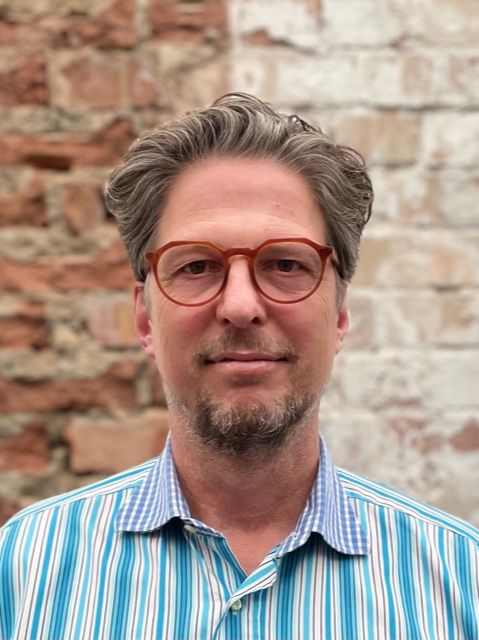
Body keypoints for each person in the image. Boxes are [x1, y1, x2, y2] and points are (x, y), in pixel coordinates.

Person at [0, 94, 477, 640]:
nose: (240, 305)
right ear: (145, 317)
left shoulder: (461, 582)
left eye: (285, 264)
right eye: (197, 266)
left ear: (340, 313)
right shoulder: (23, 572)